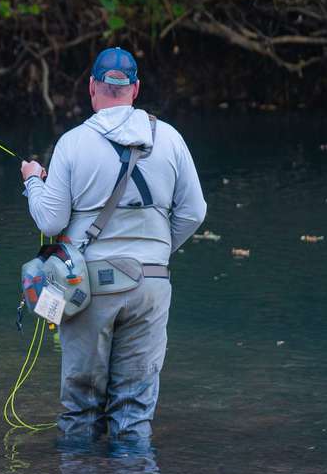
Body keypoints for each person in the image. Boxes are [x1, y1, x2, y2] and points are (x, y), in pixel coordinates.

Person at [20, 47, 205, 444]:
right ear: (135, 89)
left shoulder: (73, 143)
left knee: (81, 409)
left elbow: (50, 221)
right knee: (134, 411)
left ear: (92, 88)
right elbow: (194, 212)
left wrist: (33, 180)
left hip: (88, 289)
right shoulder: (170, 138)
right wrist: (155, 254)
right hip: (152, 286)